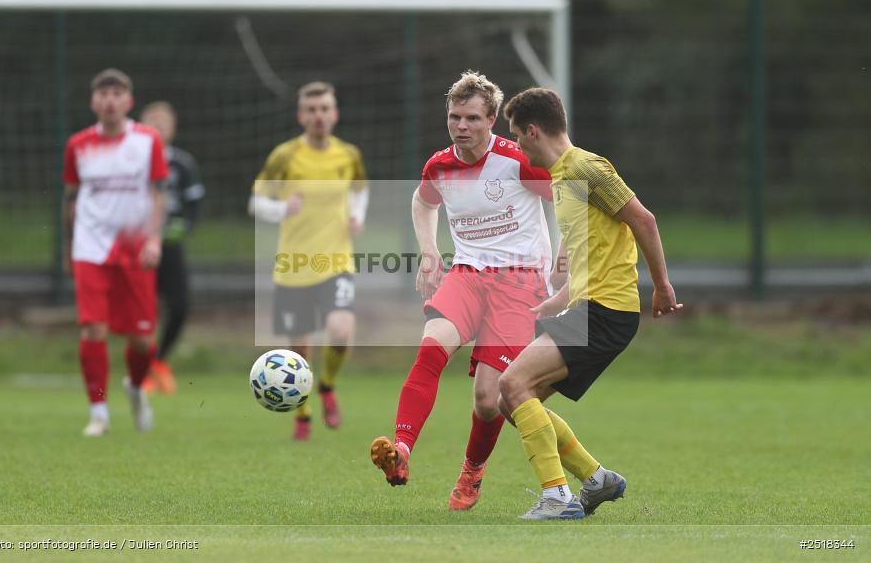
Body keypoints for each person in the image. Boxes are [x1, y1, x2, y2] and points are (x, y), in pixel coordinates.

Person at [369, 71, 554, 511]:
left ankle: (472, 471)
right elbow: (422, 200)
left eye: (472, 118)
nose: (461, 126)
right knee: (429, 350)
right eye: (455, 117)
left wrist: (564, 261)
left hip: (520, 281)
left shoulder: (517, 161)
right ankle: (401, 452)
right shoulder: (441, 165)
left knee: (490, 400)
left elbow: (564, 201)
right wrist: (430, 250)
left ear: (492, 118)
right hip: (467, 274)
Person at [498, 87, 683, 520]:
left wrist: (662, 285)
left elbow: (643, 219)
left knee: (510, 385)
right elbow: (595, 257)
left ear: (533, 130)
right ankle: (597, 479)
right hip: (587, 308)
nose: (518, 146)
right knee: (514, 402)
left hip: (605, 312)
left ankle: (557, 498)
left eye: (518, 136)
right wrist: (555, 302)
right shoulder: (563, 178)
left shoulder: (586, 168)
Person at [249, 81, 368, 441]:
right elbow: (255, 203)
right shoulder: (284, 155)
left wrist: (357, 215)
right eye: (312, 110)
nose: (319, 115)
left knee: (341, 332)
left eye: (325, 108)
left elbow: (360, 190)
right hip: (294, 265)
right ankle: (303, 411)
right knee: (298, 349)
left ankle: (327, 385)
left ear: (335, 114)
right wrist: (283, 207)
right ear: (302, 116)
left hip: (336, 262)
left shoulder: (349, 155)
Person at [62, 68, 168, 437]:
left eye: (117, 93)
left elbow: (157, 193)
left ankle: (137, 389)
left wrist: (155, 239)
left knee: (141, 340)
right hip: (90, 248)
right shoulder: (78, 145)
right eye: (103, 94)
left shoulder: (147, 141)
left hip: (136, 249)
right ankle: (99, 411)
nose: (110, 100)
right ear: (94, 102)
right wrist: (68, 246)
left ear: (128, 101)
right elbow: (72, 198)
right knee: (94, 329)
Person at [140, 101, 205, 395]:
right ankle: (141, 371)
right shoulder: (132, 161)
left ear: (173, 128)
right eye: (152, 121)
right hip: (139, 246)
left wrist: (185, 227)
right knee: (143, 310)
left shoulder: (181, 163)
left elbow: (194, 204)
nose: (158, 126)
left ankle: (159, 361)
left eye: (163, 122)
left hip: (170, 245)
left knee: (179, 306)